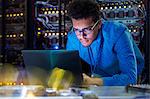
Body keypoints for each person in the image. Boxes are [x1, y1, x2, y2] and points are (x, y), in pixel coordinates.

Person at [66, 0, 144, 86]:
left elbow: (130, 78)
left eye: (87, 29)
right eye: (77, 30)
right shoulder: (72, 38)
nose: (81, 36)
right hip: (94, 83)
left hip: (123, 86)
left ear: (99, 24)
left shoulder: (117, 33)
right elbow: (72, 73)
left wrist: (93, 81)